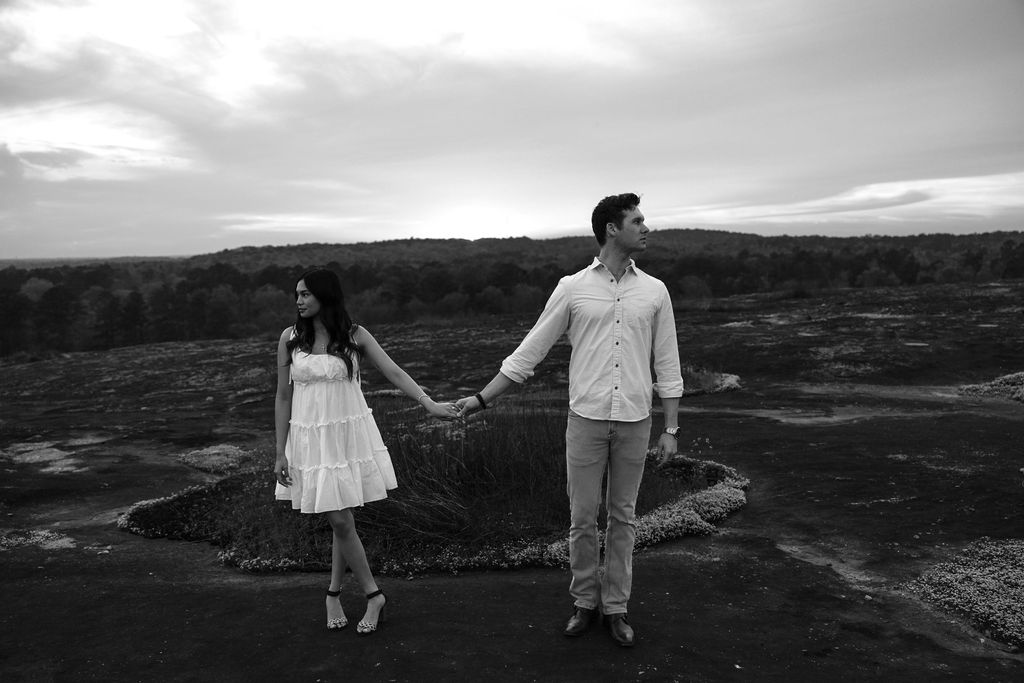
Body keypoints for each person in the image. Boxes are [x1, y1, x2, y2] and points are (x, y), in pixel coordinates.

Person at [456, 193, 684, 648]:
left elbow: (668, 362)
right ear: (611, 229)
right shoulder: (573, 287)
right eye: (637, 221)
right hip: (586, 421)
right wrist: (483, 398)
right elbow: (531, 350)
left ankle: (616, 608)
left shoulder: (655, 291)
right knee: (582, 518)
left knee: (624, 518)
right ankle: (584, 602)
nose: (646, 228)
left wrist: (671, 428)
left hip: (636, 421)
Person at [274, 267, 458, 635]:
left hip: (347, 435)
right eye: (297, 294)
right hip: (310, 439)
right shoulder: (290, 338)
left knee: (341, 519)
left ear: (325, 296)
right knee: (340, 519)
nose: (298, 300)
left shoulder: (355, 335)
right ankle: (363, 594)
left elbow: (394, 372)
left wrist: (429, 403)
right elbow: (282, 395)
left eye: (306, 294)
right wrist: (280, 452)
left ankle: (348, 594)